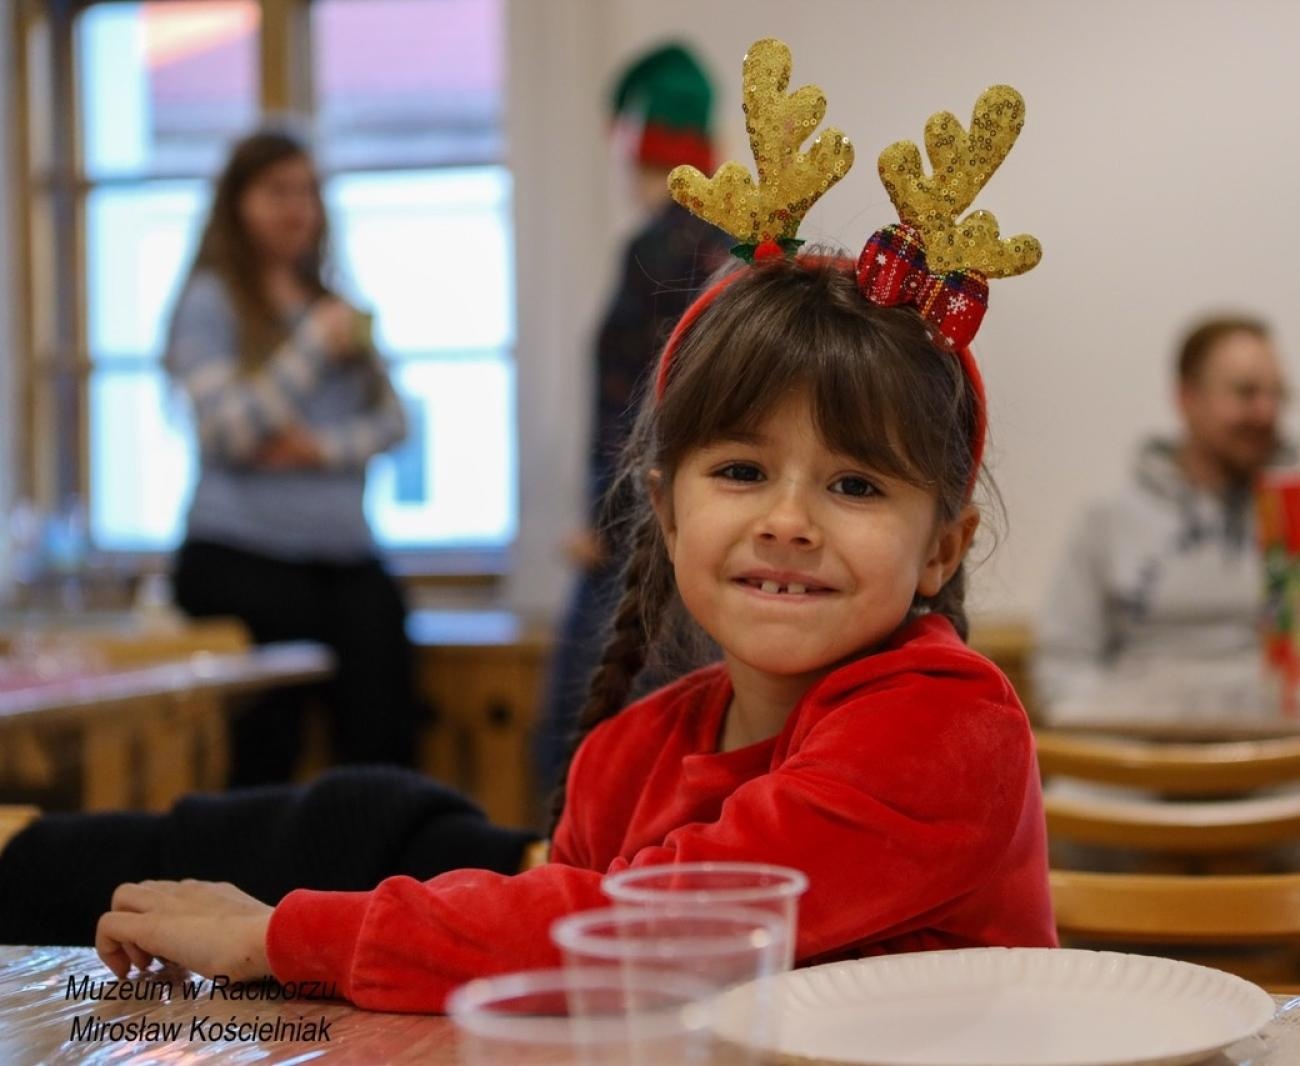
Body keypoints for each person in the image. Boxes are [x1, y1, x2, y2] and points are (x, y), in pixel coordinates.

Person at [81, 43, 1056, 1013]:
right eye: (742, 471)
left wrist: (276, 933)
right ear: (667, 510)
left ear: (941, 545)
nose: (789, 520)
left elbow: (639, 932)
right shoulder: (624, 756)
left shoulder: (943, 723)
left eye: (853, 484)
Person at [164, 130, 419, 784]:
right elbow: (227, 432)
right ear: (237, 203)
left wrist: (317, 449)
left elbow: (396, 422)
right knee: (267, 749)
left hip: (343, 559)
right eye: (277, 191)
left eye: (306, 191)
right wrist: (307, 350)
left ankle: (376, 877)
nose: (296, 207)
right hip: (242, 553)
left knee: (383, 741)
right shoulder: (211, 302)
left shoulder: (333, 306)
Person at [539, 43, 728, 800]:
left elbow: (638, 404)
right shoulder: (727, 252)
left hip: (634, 541)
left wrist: (605, 519)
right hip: (697, 530)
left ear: (634, 142)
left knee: (579, 754)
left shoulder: (653, 251)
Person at [1032, 314, 1293, 714]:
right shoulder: (1107, 517)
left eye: (1277, 395)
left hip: (1281, 754)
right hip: (1136, 758)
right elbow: (1063, 665)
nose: (1266, 412)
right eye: (1246, 393)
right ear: (1187, 398)